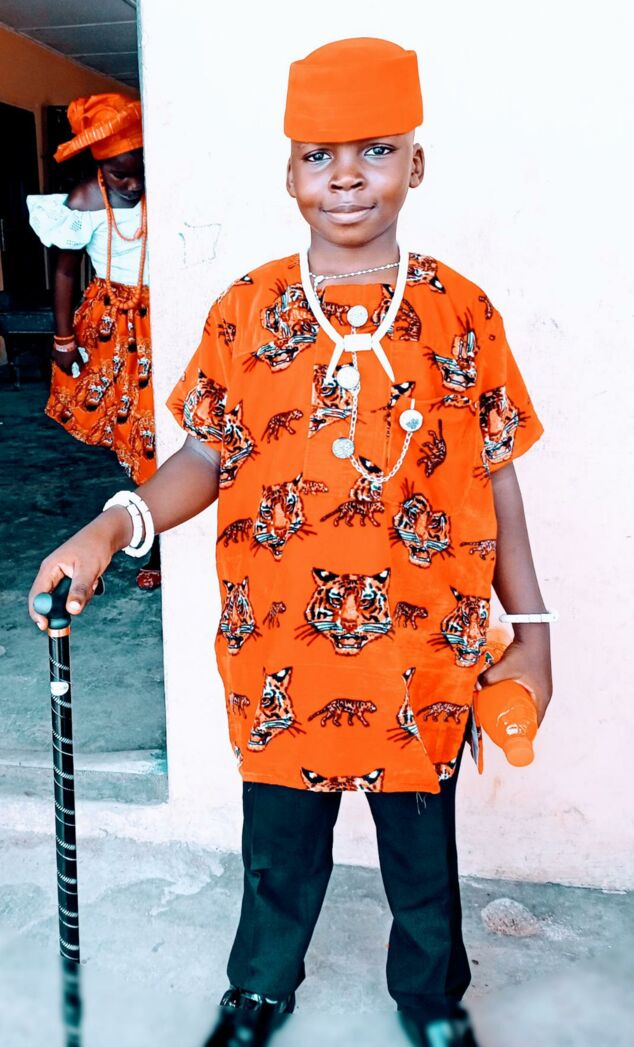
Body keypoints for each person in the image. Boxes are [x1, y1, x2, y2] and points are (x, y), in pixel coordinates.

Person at [29, 39, 554, 1047]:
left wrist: (533, 632)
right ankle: (261, 986)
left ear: (415, 164)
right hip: (281, 648)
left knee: (420, 847)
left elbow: (497, 474)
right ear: (289, 174)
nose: (346, 176)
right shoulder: (247, 311)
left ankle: (430, 995)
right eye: (319, 155)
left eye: (375, 149)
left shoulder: (460, 313)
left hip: (422, 647)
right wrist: (112, 524)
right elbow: (202, 454)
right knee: (278, 844)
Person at [27, 93, 160, 590]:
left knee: (159, 432)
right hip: (112, 330)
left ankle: (161, 535)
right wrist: (63, 338)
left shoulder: (162, 190)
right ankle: (151, 534)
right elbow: (64, 273)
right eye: (118, 175)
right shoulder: (84, 200)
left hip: (160, 321)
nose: (131, 185)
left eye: (137, 173)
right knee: (134, 435)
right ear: (99, 167)